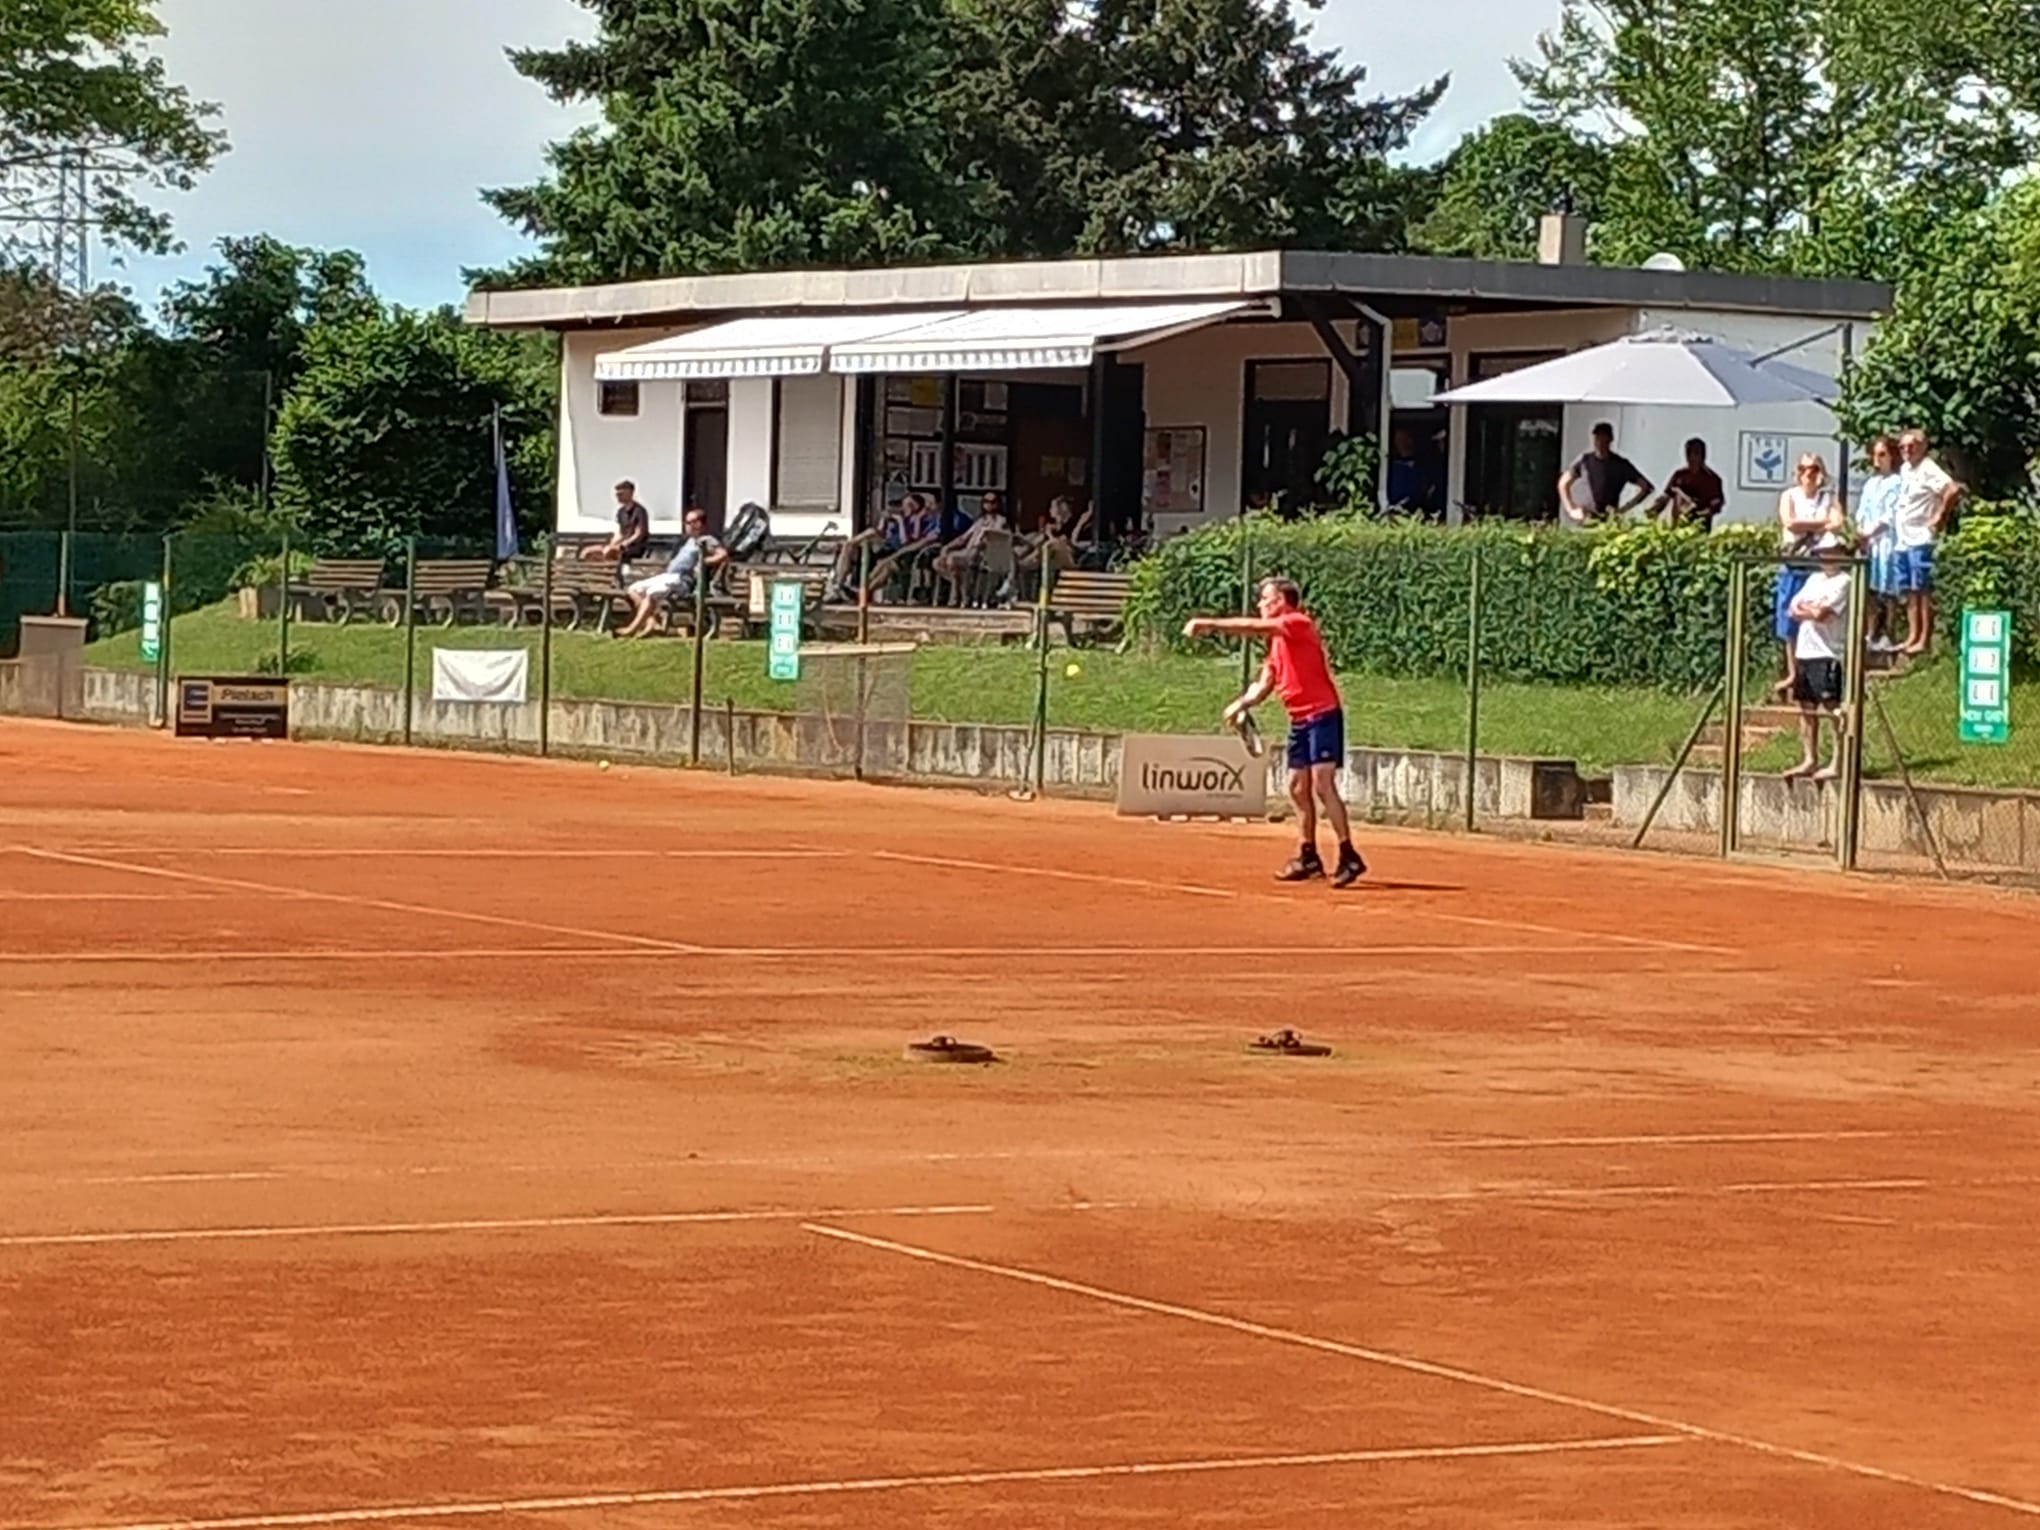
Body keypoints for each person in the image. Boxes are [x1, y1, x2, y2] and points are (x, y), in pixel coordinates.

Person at [1183, 578, 1366, 888]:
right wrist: (1240, 705)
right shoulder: (1277, 643)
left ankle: (1349, 855)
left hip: (1323, 715)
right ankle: (1308, 856)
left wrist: (1209, 624)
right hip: (1299, 720)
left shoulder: (1297, 622)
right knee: (1297, 787)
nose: (1260, 604)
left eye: (1265, 598)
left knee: (1322, 784)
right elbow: (1266, 682)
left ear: (1281, 600)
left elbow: (1253, 627)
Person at [1785, 533, 1855, 782]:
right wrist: (1810, 610)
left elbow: (1822, 614)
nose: (1828, 557)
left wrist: (1808, 610)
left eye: (1833, 551)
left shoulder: (1845, 581)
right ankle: (1809, 758)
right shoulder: (1814, 579)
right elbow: (1793, 609)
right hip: (1805, 651)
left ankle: (1838, 761)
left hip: (1828, 651)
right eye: (1824, 552)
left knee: (1833, 708)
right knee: (1806, 707)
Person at [1771, 454, 1842, 699]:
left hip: (1818, 564)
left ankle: (1812, 670)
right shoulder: (1789, 495)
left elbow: (1837, 522)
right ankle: (1793, 672)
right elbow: (1789, 522)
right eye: (1803, 468)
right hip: (1794, 563)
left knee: (1815, 616)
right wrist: (1820, 524)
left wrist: (1810, 525)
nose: (1808, 473)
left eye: (1813, 468)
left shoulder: (1828, 496)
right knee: (1789, 619)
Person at [1893, 429, 1964, 657]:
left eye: (1911, 446)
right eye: (1902, 447)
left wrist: (1940, 516)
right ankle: (1912, 635)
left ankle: (1924, 638)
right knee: (1910, 590)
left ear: (1923, 447)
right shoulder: (1905, 469)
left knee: (1923, 590)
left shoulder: (1928, 468)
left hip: (1921, 538)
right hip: (1903, 539)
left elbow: (1952, 489)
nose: (1906, 450)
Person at [615, 508, 725, 637]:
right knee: (634, 589)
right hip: (668, 576)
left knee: (651, 594)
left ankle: (632, 629)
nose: (686, 525)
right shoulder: (688, 540)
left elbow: (723, 554)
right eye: (686, 522)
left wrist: (704, 561)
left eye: (689, 522)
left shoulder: (706, 540)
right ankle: (652, 623)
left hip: (682, 580)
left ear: (699, 524)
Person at [1853, 436, 1905, 651]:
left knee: (1889, 589)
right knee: (1870, 591)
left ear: (1892, 456)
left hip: (1887, 541)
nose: (1877, 459)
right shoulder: (1871, 483)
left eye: (1882, 454)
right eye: (1874, 455)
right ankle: (1871, 633)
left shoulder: (1898, 482)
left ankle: (1889, 633)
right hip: (1869, 543)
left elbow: (1891, 514)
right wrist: (1860, 531)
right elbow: (1862, 511)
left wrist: (1871, 531)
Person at [1557, 422, 1654, 522]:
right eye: (1598, 438)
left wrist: (1624, 510)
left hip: (1608, 520)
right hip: (1585, 519)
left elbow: (1646, 487)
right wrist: (1571, 510)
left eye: (1604, 438)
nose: (1600, 442)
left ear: (1610, 439)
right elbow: (1563, 483)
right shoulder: (1585, 461)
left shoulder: (1620, 465)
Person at [1653, 438, 1726, 529]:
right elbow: (1667, 495)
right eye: (1688, 453)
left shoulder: (1712, 479)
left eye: (1695, 453)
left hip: (1699, 526)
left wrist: (1699, 513)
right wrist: (1654, 509)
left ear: (1702, 456)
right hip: (1678, 524)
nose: (1691, 457)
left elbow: (1716, 504)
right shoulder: (1679, 475)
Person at [584, 480, 652, 562]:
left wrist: (623, 545)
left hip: (635, 546)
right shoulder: (621, 512)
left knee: (609, 552)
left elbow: (639, 534)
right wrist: (612, 544)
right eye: (617, 494)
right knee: (589, 552)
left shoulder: (639, 511)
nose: (618, 497)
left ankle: (610, 568)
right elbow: (621, 533)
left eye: (621, 494)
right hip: (621, 545)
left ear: (630, 493)